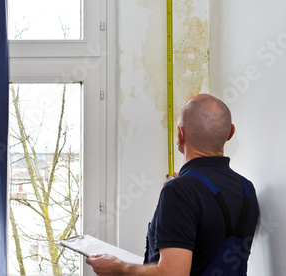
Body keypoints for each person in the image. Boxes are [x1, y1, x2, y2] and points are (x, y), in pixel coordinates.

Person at [86, 94, 260, 276]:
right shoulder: (247, 188)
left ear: (180, 134)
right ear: (231, 133)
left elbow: (172, 273)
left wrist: (117, 268)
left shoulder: (179, 191)